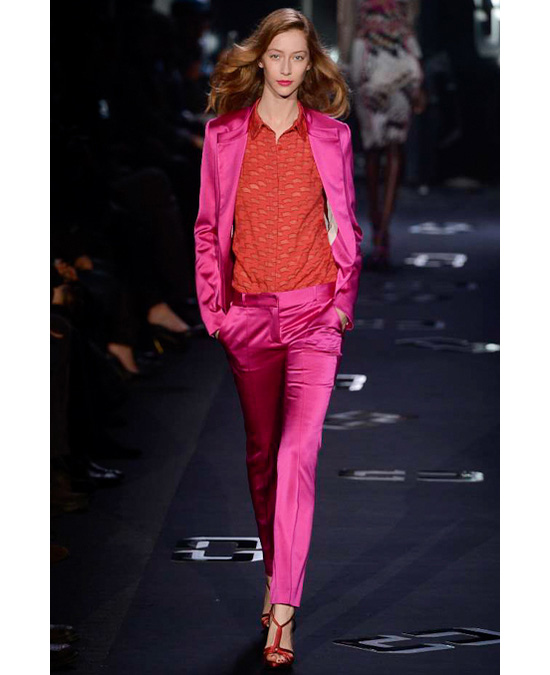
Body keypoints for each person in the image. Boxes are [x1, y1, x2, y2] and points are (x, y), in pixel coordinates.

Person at [194, 8, 362, 667]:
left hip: (314, 315)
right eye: (277, 56)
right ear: (259, 59)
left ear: (310, 62)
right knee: (263, 458)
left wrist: (342, 301)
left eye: (298, 57)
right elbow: (208, 227)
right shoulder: (223, 135)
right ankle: (275, 571)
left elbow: (345, 223)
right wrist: (217, 312)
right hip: (250, 316)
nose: (288, 69)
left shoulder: (332, 136)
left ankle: (284, 608)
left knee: (298, 453)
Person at [339, 0, 426, 270]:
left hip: (400, 56)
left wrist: (417, 72)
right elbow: (346, 20)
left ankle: (382, 230)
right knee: (373, 148)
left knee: (394, 145)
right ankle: (377, 224)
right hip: (367, 58)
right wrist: (345, 66)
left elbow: (411, 16)